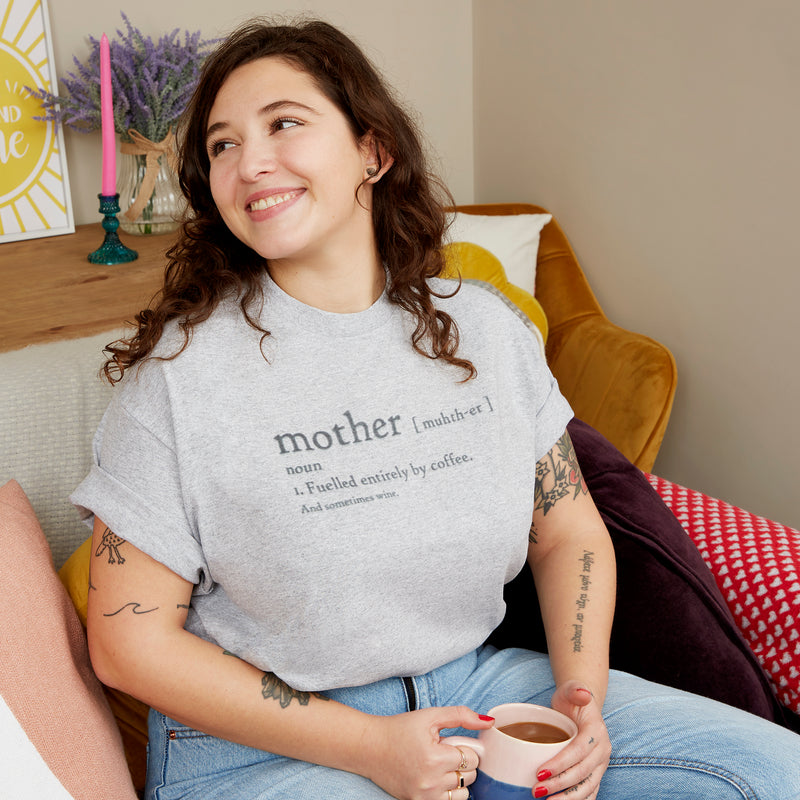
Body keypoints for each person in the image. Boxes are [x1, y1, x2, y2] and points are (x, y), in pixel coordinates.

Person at [71, 17, 800, 800]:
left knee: (773, 773)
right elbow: (127, 645)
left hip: (480, 693)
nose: (250, 163)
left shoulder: (487, 328)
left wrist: (579, 698)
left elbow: (569, 532)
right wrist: (372, 746)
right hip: (262, 747)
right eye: (221, 145)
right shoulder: (179, 379)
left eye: (284, 123)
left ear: (373, 151)